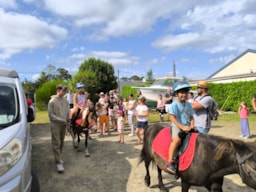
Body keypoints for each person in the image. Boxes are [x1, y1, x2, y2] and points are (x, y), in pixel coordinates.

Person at [166, 81, 195, 174]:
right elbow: (172, 118)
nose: (184, 94)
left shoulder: (188, 104)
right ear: (176, 94)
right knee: (177, 140)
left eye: (186, 92)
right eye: (182, 92)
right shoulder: (174, 104)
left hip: (187, 126)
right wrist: (182, 127)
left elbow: (191, 116)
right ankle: (170, 161)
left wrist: (192, 125)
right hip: (177, 126)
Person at [48, 84, 70, 173]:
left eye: (65, 90)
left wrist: (68, 121)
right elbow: (50, 114)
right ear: (58, 90)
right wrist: (60, 119)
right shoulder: (52, 101)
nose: (64, 92)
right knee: (56, 142)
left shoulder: (65, 101)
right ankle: (58, 162)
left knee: (61, 141)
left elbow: (67, 111)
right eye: (63, 90)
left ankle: (59, 157)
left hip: (63, 124)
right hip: (55, 124)